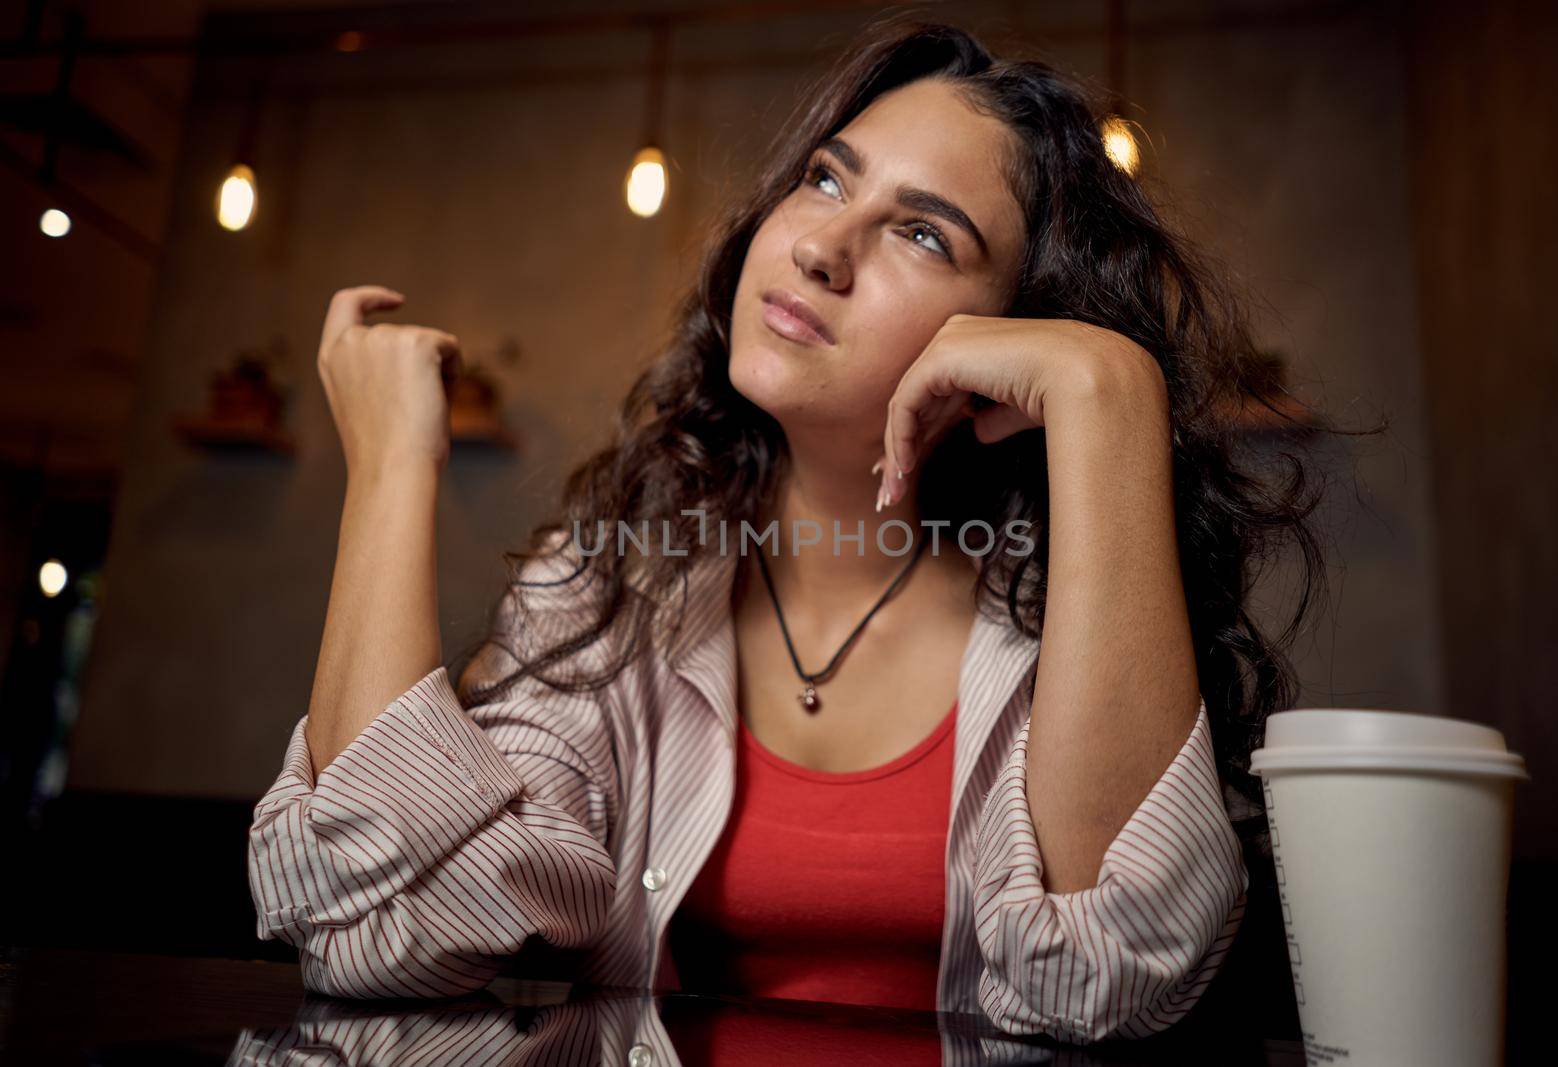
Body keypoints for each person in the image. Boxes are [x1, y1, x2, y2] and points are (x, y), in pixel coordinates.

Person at [247, 15, 1329, 1046]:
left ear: (1016, 330)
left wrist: (1109, 397)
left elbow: (1122, 979)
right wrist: (391, 467)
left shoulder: (1070, 620)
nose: (822, 246)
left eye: (920, 232)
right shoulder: (613, 581)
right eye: (824, 178)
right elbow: (377, 929)